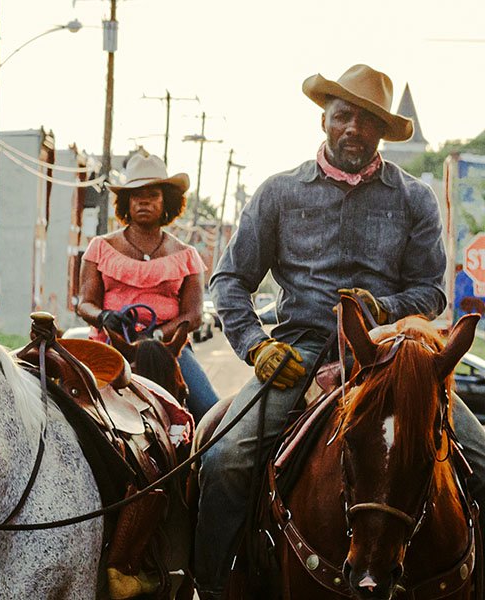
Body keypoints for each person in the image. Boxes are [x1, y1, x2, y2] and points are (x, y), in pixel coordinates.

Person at [197, 64, 485, 599]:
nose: (353, 128)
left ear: (381, 133)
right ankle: (212, 588)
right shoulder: (279, 193)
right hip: (299, 351)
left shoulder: (414, 198)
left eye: (367, 121)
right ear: (324, 119)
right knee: (225, 460)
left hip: (392, 352)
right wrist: (256, 345)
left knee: (482, 457)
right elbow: (229, 280)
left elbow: (432, 291)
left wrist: (384, 307)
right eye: (343, 116)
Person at [74, 150, 220, 418]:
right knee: (72, 413)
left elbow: (194, 315)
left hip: (168, 351)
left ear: (167, 201)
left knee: (211, 412)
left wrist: (155, 337)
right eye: (136, 195)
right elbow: (85, 304)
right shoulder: (100, 247)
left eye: (152, 195)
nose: (144, 201)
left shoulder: (186, 255)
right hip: (109, 344)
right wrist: (105, 316)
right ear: (126, 202)